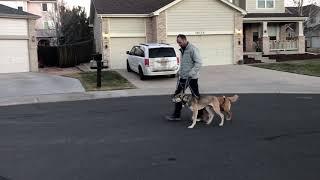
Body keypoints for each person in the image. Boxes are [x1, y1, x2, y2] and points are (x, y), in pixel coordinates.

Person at [166, 34, 203, 121]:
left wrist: (191, 73)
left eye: (180, 42)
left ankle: (200, 115)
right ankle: (176, 115)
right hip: (183, 77)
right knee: (177, 95)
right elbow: (185, 64)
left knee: (196, 96)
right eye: (177, 42)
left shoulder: (192, 49)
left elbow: (198, 63)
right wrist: (179, 71)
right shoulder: (182, 50)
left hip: (191, 78)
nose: (179, 44)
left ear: (184, 40)